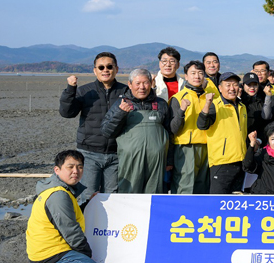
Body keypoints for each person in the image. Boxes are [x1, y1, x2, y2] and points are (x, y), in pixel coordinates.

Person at [23, 150, 107, 263]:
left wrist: (89, 203)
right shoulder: (58, 195)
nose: (76, 171)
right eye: (70, 167)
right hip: (50, 254)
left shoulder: (58, 190)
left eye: (80, 167)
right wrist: (86, 255)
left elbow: (68, 217)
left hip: (47, 250)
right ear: (57, 170)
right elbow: (71, 231)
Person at [59, 51, 127, 202]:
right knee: (88, 196)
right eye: (101, 67)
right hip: (89, 153)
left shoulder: (125, 91)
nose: (105, 70)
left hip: (116, 154)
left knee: (112, 197)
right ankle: (86, 219)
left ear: (116, 69)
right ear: (95, 70)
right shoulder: (85, 91)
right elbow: (67, 112)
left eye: (109, 66)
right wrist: (70, 89)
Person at [100, 69, 170, 194]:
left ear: (151, 83)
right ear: (130, 84)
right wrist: (120, 113)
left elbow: (170, 132)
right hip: (130, 162)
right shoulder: (121, 104)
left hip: (157, 162)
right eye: (137, 83)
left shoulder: (161, 104)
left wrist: (169, 160)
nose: (142, 87)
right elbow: (107, 132)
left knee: (154, 194)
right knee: (129, 194)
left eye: (145, 83)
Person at [197, 72, 248, 194]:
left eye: (235, 85)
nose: (232, 88)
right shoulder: (214, 105)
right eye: (228, 85)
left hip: (240, 162)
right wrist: (207, 104)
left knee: (236, 199)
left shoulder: (242, 106)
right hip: (221, 163)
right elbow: (202, 125)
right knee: (218, 200)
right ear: (220, 88)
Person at [168, 60, 214, 194]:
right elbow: (173, 129)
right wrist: (182, 110)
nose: (197, 76)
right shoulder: (178, 98)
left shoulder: (209, 98)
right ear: (186, 76)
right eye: (193, 73)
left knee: (202, 186)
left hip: (206, 146)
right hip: (185, 147)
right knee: (185, 184)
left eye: (200, 73)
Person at [240, 72, 269, 144]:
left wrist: (260, 140)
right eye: (249, 85)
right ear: (243, 85)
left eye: (255, 85)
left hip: (260, 141)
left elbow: (266, 122)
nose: (252, 88)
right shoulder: (239, 101)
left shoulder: (263, 99)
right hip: (242, 141)